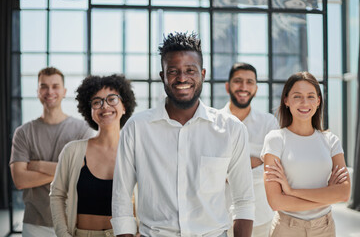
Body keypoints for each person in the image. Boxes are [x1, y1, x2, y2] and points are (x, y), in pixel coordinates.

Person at [111, 32, 255, 237]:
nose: (182, 78)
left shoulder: (231, 129)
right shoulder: (137, 128)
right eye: (173, 71)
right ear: (162, 76)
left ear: (202, 74)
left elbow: (244, 201)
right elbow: (121, 199)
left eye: (190, 70)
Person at [261, 72, 350, 236]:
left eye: (310, 96)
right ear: (286, 101)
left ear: (318, 101)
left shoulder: (331, 141)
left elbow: (343, 194)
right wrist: (327, 195)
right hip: (287, 229)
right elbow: (276, 202)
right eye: (297, 96)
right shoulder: (275, 140)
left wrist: (291, 192)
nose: (304, 102)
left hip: (325, 228)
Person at [9, 67, 94, 237]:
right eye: (44, 86)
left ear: (64, 91)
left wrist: (38, 165)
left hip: (73, 221)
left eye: (55, 86)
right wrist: (67, 170)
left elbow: (83, 174)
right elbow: (20, 180)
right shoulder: (23, 132)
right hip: (35, 224)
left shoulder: (82, 129)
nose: (50, 91)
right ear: (38, 91)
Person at [49, 74, 136, 237]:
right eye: (97, 102)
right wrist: (63, 234)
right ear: (89, 111)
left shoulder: (136, 151)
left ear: (124, 106)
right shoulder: (72, 151)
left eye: (112, 99)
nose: (105, 106)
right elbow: (57, 195)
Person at [221, 63, 278, 237]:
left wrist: (230, 170)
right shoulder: (213, 123)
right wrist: (252, 162)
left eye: (249, 82)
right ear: (227, 86)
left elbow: (273, 170)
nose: (244, 87)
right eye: (238, 81)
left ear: (256, 88)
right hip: (221, 217)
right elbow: (209, 170)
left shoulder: (269, 123)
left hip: (261, 217)